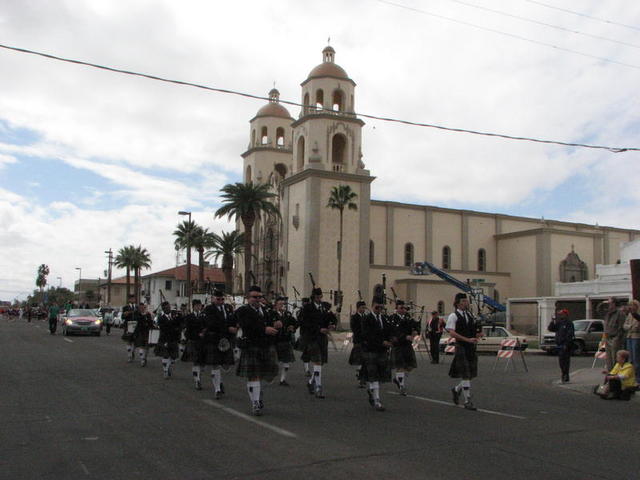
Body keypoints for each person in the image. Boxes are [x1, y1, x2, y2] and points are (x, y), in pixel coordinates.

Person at [235, 285, 279, 416]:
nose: (258, 299)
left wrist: (276, 325)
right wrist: (264, 329)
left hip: (265, 346)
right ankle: (255, 403)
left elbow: (271, 323)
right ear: (248, 298)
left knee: (261, 376)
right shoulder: (243, 311)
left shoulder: (266, 311)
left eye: (260, 297)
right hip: (251, 346)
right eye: (254, 297)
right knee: (253, 375)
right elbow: (247, 326)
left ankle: (257, 397)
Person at [446, 293, 482, 411]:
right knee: (466, 374)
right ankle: (467, 401)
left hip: (470, 347)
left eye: (466, 301)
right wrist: (467, 339)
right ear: (457, 303)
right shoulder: (453, 316)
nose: (466, 303)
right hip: (461, 346)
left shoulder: (470, 315)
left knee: (470, 374)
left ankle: (456, 390)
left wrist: (478, 334)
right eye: (463, 301)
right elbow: (451, 332)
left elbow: (473, 330)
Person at [201, 290, 238, 399]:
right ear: (213, 299)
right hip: (214, 339)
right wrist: (228, 328)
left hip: (227, 339)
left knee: (226, 365)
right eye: (218, 299)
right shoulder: (209, 309)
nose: (221, 301)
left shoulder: (228, 308)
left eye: (222, 299)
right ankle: (217, 389)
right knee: (215, 364)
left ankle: (219, 380)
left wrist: (236, 326)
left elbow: (232, 319)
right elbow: (211, 323)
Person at [300, 288, 335, 399]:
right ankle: (318, 387)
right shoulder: (307, 308)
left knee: (320, 364)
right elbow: (305, 323)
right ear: (313, 297)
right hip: (312, 338)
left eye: (320, 297)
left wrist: (333, 324)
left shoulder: (324, 307)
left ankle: (311, 382)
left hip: (322, 339)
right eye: (318, 297)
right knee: (317, 362)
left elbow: (332, 317)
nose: (319, 299)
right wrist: (319, 329)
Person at [360, 296, 392, 411]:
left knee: (379, 375)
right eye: (377, 307)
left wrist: (391, 340)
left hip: (382, 351)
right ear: (372, 306)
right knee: (373, 375)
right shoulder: (366, 319)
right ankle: (377, 399)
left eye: (381, 308)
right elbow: (367, 335)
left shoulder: (384, 319)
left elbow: (389, 331)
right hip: (371, 350)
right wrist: (381, 342)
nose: (379, 310)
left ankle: (373, 392)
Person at [389, 300, 419, 395]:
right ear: (396, 309)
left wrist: (415, 331)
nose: (403, 310)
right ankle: (402, 386)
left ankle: (398, 378)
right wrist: (404, 336)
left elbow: (415, 326)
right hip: (398, 345)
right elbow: (393, 331)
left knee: (410, 366)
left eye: (404, 308)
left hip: (407, 345)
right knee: (400, 366)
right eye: (401, 308)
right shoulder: (392, 318)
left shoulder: (408, 318)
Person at [270, 297, 297, 386]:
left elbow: (295, 323)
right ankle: (271, 376)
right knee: (274, 362)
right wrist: (273, 326)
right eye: (280, 304)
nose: (282, 306)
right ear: (276, 305)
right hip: (275, 341)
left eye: (283, 304)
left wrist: (293, 328)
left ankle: (283, 379)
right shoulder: (271, 314)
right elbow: (266, 324)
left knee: (286, 363)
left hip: (286, 340)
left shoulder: (288, 314)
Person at [182, 299, 206, 389]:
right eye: (197, 305)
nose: (198, 307)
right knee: (196, 363)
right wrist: (197, 334)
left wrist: (204, 331)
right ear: (193, 306)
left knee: (201, 363)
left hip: (202, 342)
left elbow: (206, 326)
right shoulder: (189, 317)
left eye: (199, 305)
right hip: (193, 341)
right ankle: (197, 380)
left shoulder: (203, 316)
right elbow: (187, 332)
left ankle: (199, 377)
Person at [154, 301, 182, 378]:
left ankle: (168, 366)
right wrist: (173, 321)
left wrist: (179, 316)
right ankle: (165, 371)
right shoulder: (161, 318)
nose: (168, 309)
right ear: (163, 309)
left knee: (174, 357)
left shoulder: (175, 315)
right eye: (166, 308)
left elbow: (180, 323)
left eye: (168, 307)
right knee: (165, 356)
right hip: (165, 339)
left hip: (174, 338)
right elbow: (165, 327)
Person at [548, 309, 575, 383]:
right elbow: (551, 329)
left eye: (562, 314)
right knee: (561, 361)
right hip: (559, 345)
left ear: (566, 315)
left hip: (565, 345)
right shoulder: (559, 323)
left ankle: (565, 375)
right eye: (559, 314)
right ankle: (564, 373)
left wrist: (566, 344)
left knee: (565, 361)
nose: (560, 316)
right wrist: (552, 321)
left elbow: (570, 334)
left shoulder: (569, 323)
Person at [603, 297, 627, 371]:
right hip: (607, 337)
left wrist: (618, 337)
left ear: (614, 303)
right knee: (608, 358)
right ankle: (610, 374)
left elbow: (621, 327)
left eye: (609, 303)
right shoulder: (608, 313)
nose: (608, 304)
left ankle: (616, 374)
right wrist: (602, 303)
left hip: (615, 337)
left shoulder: (620, 313)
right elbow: (598, 310)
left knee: (615, 357)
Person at [349, 301, 368, 388]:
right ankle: (361, 377)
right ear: (358, 308)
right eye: (362, 308)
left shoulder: (366, 317)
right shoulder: (354, 317)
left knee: (365, 360)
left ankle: (361, 377)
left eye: (364, 308)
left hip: (366, 342)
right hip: (358, 341)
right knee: (361, 360)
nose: (364, 309)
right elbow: (355, 329)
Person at [623, 300, 640, 384]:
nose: (630, 307)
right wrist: (630, 327)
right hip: (629, 337)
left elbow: (637, 328)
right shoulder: (629, 315)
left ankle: (638, 379)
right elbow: (625, 326)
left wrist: (630, 327)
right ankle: (631, 377)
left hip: (636, 337)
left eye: (632, 305)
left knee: (636, 358)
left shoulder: (638, 315)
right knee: (630, 358)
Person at [121, 294, 137, 362]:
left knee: (135, 341)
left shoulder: (137, 307)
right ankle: (129, 355)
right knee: (128, 340)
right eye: (131, 299)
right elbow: (122, 317)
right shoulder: (125, 307)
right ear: (129, 300)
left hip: (136, 325)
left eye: (134, 298)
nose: (133, 300)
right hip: (128, 325)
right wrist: (126, 314)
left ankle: (132, 351)